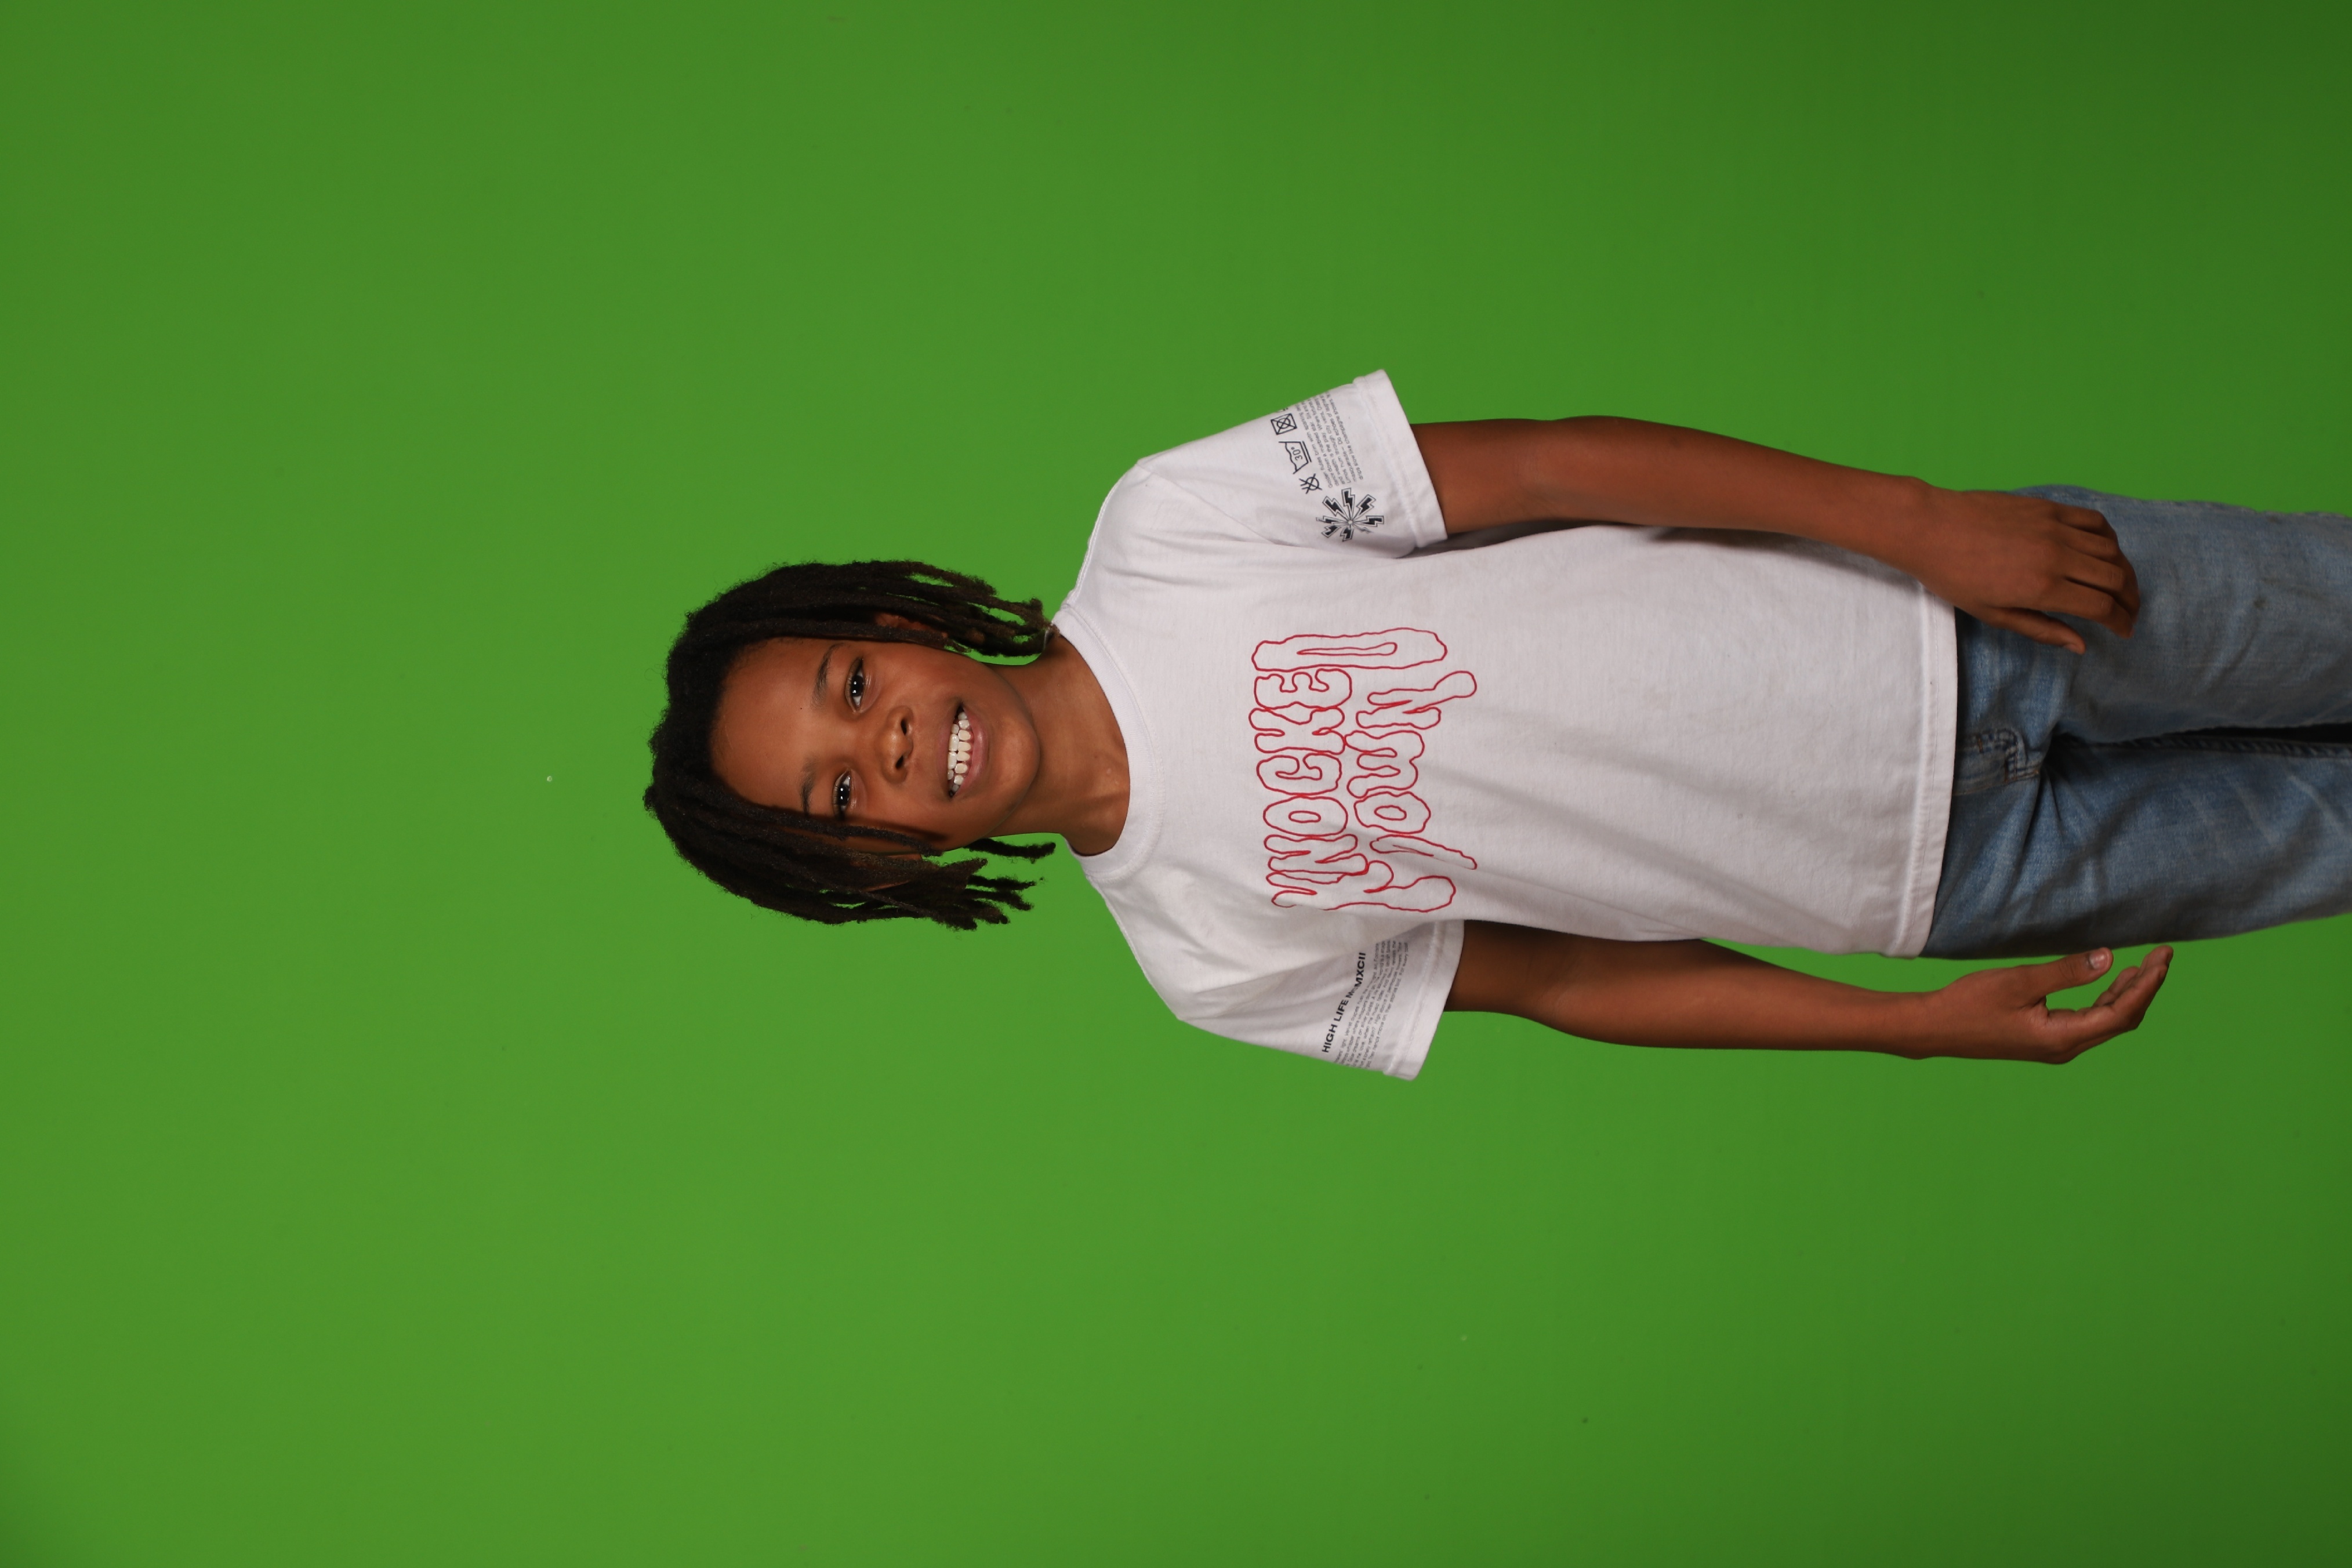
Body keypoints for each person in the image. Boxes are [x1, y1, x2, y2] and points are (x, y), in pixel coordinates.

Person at [645, 373, 2352, 1078]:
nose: (883, 746)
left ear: (891, 627)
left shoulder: (1166, 524)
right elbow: (1570, 981)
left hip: (1945, 618)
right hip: (1939, 879)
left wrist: (1914, 519)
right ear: (870, 868)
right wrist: (1897, 1029)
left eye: (849, 688)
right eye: (838, 797)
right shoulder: (1204, 960)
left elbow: (1545, 464)